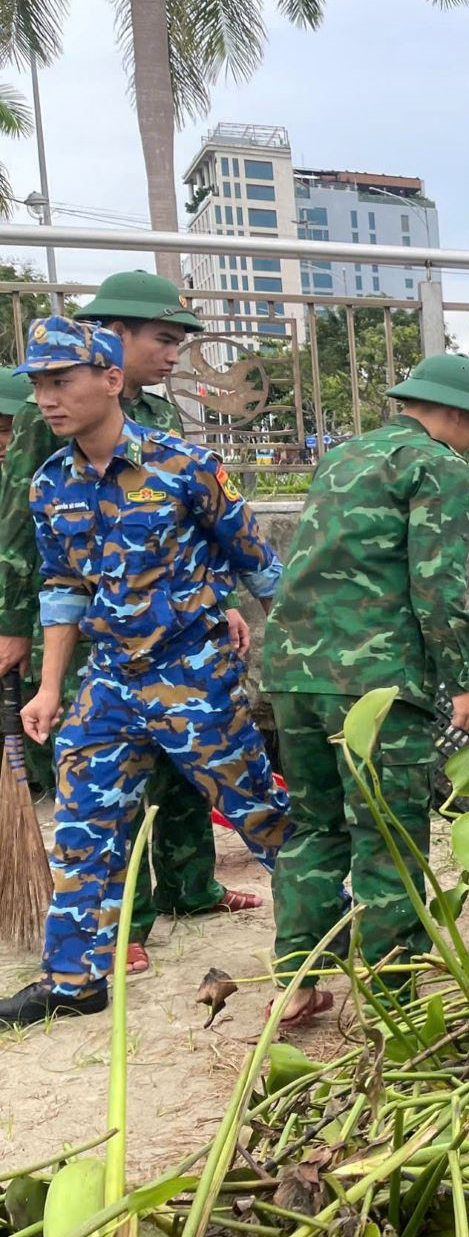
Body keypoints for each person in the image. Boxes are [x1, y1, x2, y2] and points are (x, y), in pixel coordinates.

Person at [0, 319, 288, 1027]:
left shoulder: (186, 467)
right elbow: (63, 587)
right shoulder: (51, 483)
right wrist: (49, 687)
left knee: (260, 814)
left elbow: (261, 568)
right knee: (83, 825)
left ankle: (343, 931)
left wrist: (292, 665)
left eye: (61, 380)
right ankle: (74, 980)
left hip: (194, 674)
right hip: (108, 680)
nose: (46, 398)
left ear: (110, 380)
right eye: (38, 384)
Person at [262, 355, 469, 1022]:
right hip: (376, 683)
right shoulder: (437, 465)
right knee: (388, 837)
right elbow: (437, 586)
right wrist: (464, 682)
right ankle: (392, 1000)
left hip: (293, 673)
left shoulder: (343, 456)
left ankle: (296, 983)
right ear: (456, 413)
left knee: (314, 827)